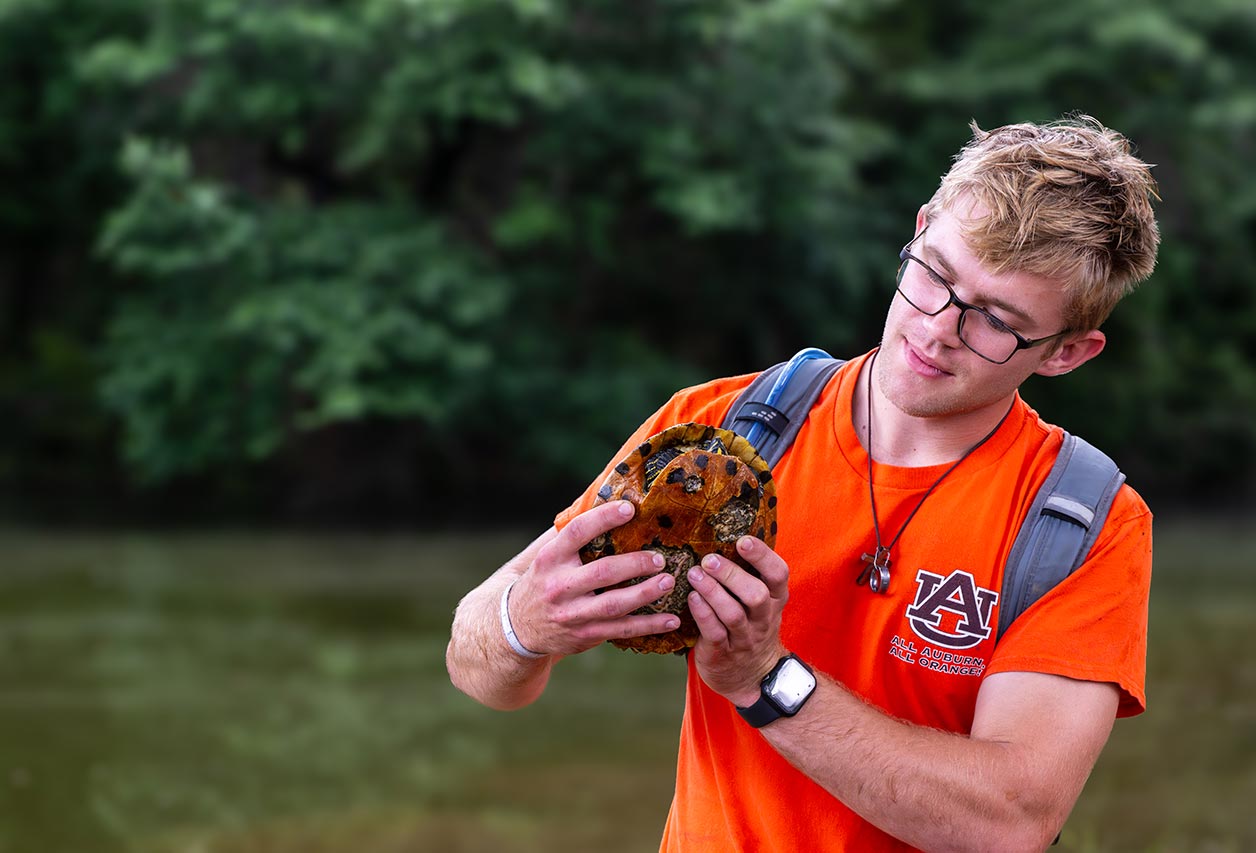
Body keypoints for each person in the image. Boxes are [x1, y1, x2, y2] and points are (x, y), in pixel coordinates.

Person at [446, 116, 1160, 852]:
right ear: (918, 229)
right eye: (935, 275)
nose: (939, 328)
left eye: (995, 320)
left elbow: (1010, 820)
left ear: (1068, 352)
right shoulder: (721, 429)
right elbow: (475, 664)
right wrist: (522, 623)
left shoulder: (1085, 523)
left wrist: (767, 679)